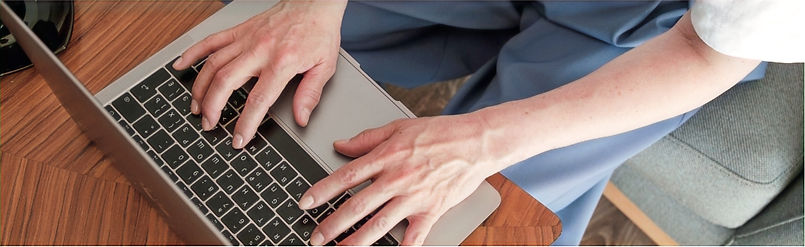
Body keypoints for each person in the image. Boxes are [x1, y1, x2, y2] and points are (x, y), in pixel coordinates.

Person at [172, 0, 804, 245]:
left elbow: (704, 51)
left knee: (463, 219)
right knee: (231, 44)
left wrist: (477, 144)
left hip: (662, 26)